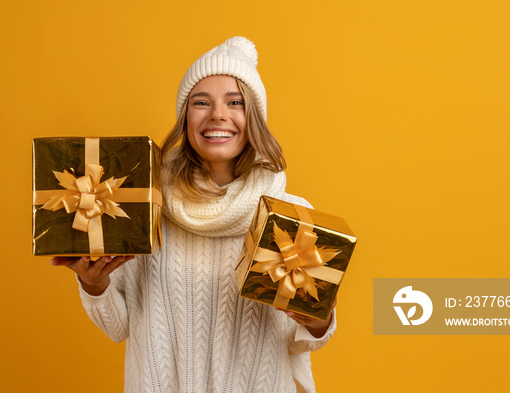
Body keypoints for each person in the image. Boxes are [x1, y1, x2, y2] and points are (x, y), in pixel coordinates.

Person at [51, 36, 336, 393]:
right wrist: (93, 284)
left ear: (254, 119)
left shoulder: (291, 214)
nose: (218, 114)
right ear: (186, 117)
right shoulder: (143, 205)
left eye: (236, 102)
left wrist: (317, 318)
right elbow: (118, 327)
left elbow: (304, 341)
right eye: (201, 102)